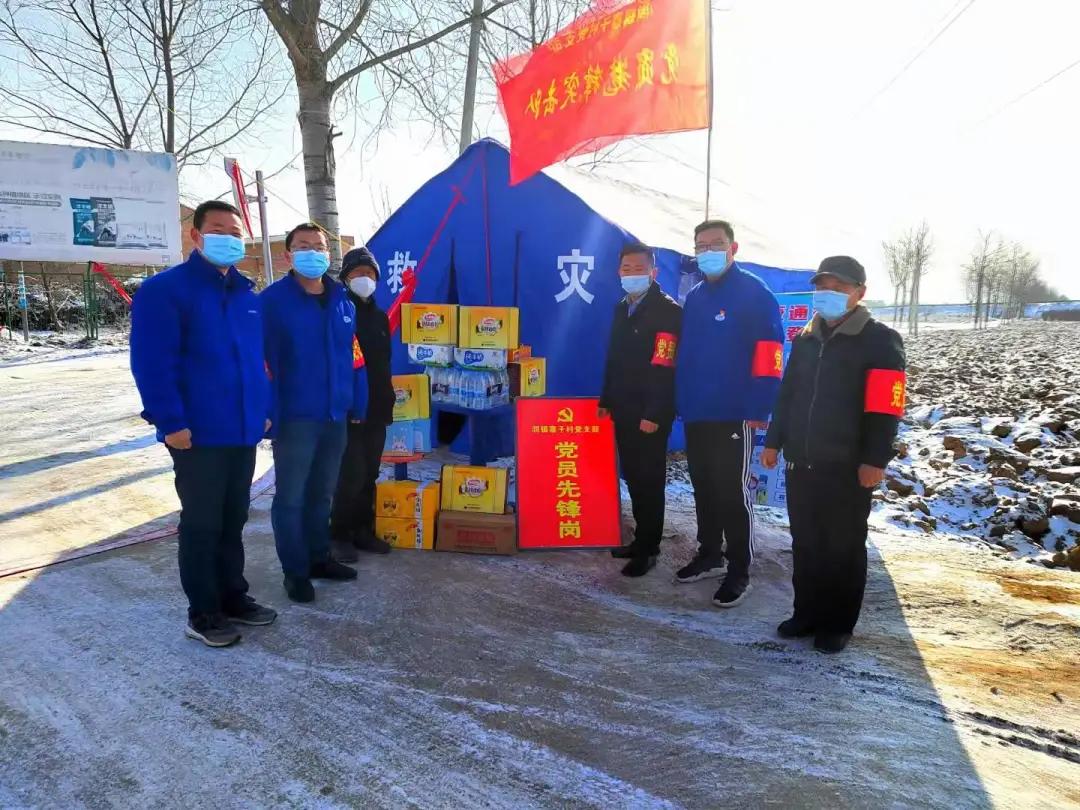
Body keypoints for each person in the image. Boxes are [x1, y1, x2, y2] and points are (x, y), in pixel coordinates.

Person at [130, 200, 276, 648]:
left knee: (233, 518)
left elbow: (255, 363)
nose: (227, 238)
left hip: (242, 429)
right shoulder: (165, 290)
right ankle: (204, 612)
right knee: (202, 523)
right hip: (196, 433)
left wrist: (263, 410)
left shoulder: (246, 295)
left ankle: (233, 596)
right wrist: (170, 420)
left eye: (234, 232)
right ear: (196, 235)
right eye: (217, 229)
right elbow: (152, 363)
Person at [762, 256, 905, 653]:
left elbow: (886, 408)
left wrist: (875, 460)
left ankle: (838, 623)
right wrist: (774, 440)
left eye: (839, 288)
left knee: (843, 545)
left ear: (860, 293)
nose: (829, 294)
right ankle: (806, 613)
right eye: (823, 287)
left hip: (847, 466)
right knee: (806, 541)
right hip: (801, 460)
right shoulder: (806, 339)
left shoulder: (880, 340)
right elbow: (788, 395)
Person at [675, 220, 784, 607]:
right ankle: (710, 554)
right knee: (703, 485)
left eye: (716, 244)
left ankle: (739, 569)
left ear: (733, 248)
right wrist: (681, 400)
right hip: (698, 411)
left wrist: (760, 406)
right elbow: (687, 355)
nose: (708, 252)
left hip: (735, 412)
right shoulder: (696, 296)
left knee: (732, 490)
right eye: (701, 246)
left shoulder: (755, 293)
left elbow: (770, 354)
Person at [262, 223, 368, 602]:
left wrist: (358, 400)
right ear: (288, 255)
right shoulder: (272, 302)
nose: (313, 252)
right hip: (296, 417)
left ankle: (319, 557)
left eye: (319, 246)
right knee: (291, 497)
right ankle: (295, 571)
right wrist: (267, 411)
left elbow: (354, 356)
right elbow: (263, 363)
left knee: (322, 493)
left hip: (335, 415)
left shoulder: (342, 300)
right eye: (303, 246)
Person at [599, 242, 683, 577]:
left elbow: (665, 366)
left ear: (653, 272)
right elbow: (614, 358)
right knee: (633, 477)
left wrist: (654, 413)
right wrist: (607, 400)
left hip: (649, 414)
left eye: (639, 269)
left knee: (650, 480)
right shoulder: (622, 307)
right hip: (623, 408)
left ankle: (649, 549)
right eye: (626, 269)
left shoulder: (667, 311)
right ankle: (639, 539)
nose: (632, 274)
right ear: (619, 272)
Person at [330, 246, 396, 559]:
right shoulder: (340, 312)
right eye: (358, 272)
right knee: (351, 474)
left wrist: (387, 401)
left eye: (369, 273)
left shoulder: (380, 317)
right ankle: (339, 535)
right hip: (350, 409)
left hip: (378, 408)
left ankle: (362, 531)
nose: (364, 278)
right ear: (345, 277)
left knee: (370, 473)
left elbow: (384, 364)